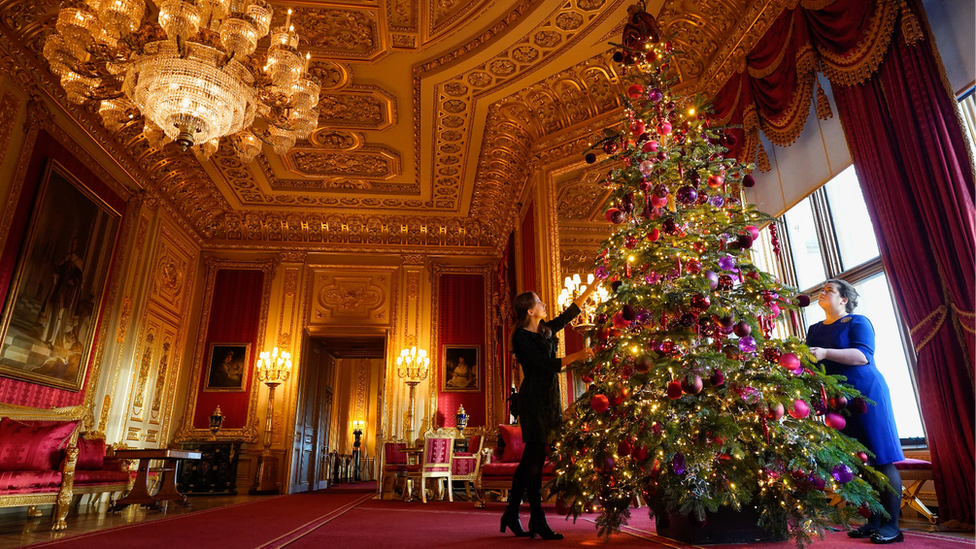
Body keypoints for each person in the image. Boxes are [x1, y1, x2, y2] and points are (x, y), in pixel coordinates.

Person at [807, 279, 904, 545]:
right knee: (858, 461)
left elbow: (863, 356)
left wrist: (826, 352)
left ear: (844, 299)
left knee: (880, 458)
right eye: (822, 290)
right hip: (837, 400)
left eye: (830, 290)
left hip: (866, 395)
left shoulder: (858, 322)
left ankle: (893, 526)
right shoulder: (814, 329)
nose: (823, 293)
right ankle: (874, 520)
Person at [500, 286, 596, 540]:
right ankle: (536, 519)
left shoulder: (544, 330)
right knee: (533, 460)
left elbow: (568, 314)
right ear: (530, 311)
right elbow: (545, 366)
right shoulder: (521, 337)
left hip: (550, 399)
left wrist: (592, 287)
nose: (544, 304)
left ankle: (511, 513)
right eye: (539, 302)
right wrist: (577, 355)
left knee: (530, 459)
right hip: (533, 400)